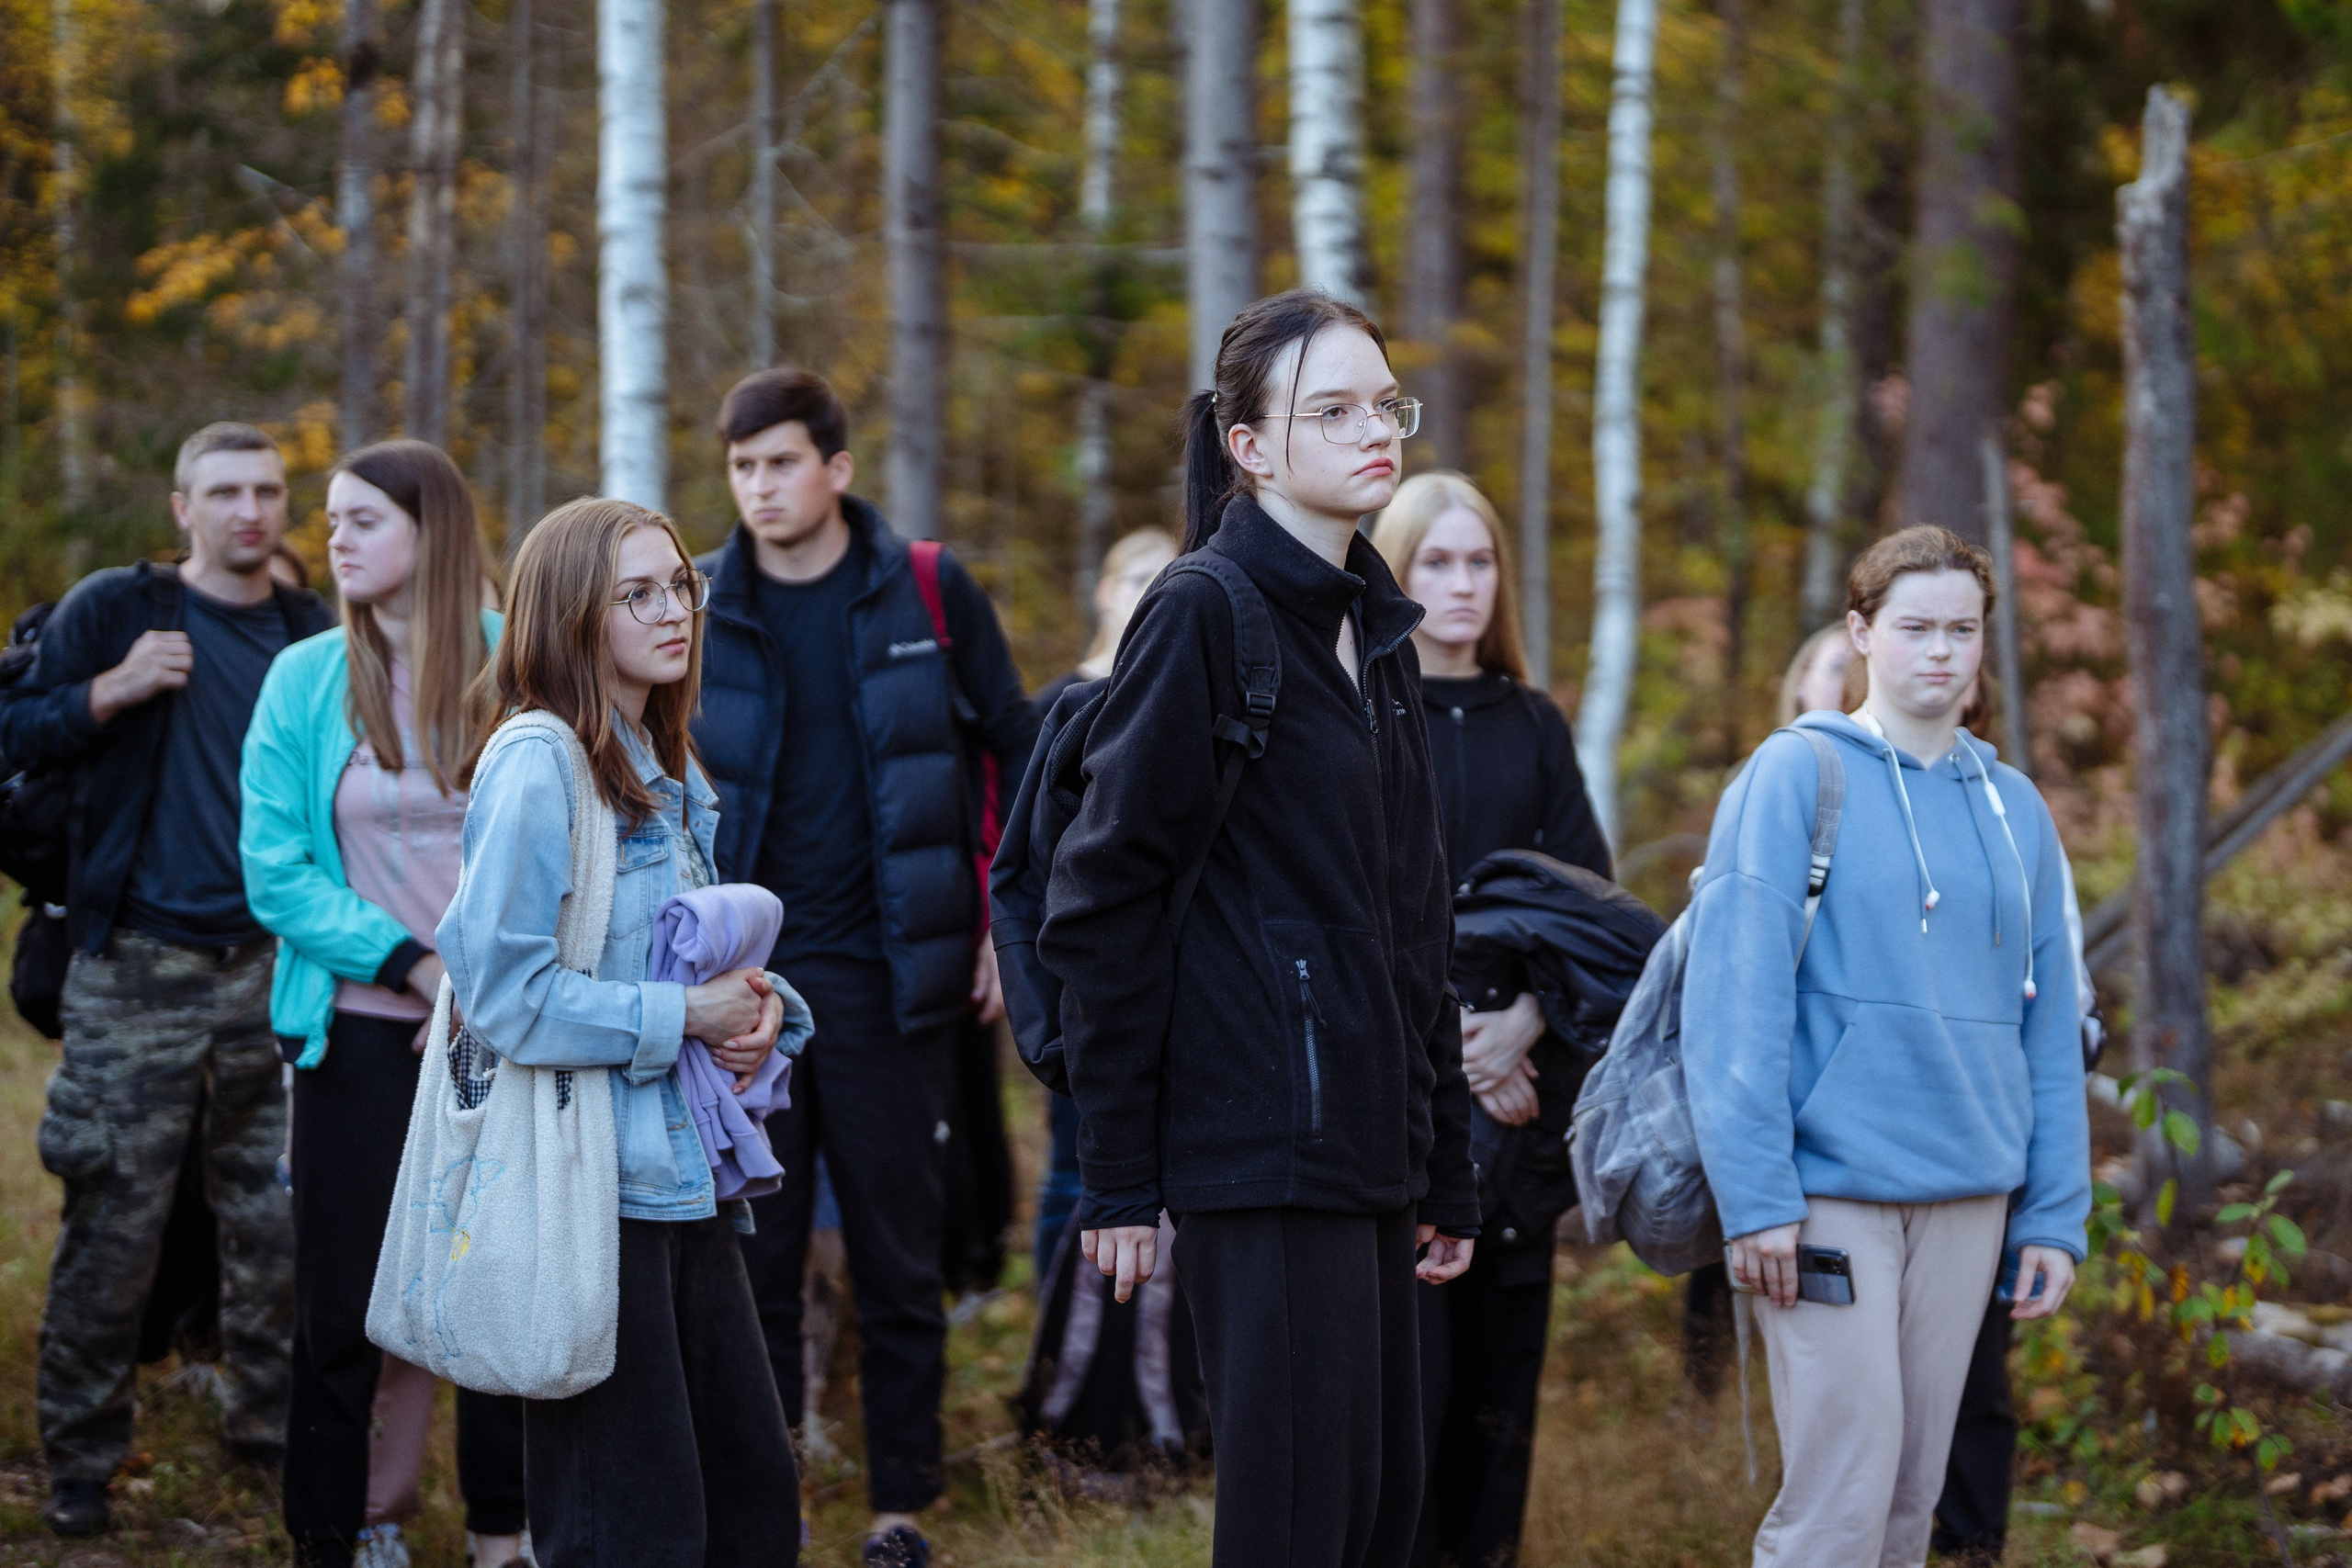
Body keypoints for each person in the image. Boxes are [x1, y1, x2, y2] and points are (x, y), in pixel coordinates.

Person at [1041, 288, 1479, 1568]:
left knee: (1381, 1513)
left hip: (1367, 1150)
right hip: (1253, 1142)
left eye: (1381, 405)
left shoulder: (1378, 629)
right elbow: (1101, 898)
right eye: (1328, 410)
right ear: (1248, 442)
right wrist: (1117, 1168)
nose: (1370, 433)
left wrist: (1439, 1153)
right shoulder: (1202, 610)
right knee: (1297, 1524)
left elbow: (1413, 922)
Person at [1684, 524, 2091, 1567]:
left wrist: (2053, 1211)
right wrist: (1757, 1195)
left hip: (1970, 1195)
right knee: (1841, 1497)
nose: (1942, 652)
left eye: (1963, 629)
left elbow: (2049, 1025)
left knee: (1912, 1498)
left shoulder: (2017, 812)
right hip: (1828, 1194)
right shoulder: (1794, 776)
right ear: (1862, 631)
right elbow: (1733, 1004)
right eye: (1916, 628)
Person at [690, 367, 1038, 1566]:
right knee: (759, 1262)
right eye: (742, 467)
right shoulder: (700, 605)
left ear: (836, 468)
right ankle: (764, 1494)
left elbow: (1020, 744)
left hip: (899, 982)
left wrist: (1000, 917)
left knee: (900, 1252)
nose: (760, 487)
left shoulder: (926, 588)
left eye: (781, 462)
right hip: (747, 994)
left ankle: (902, 1504)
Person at [435, 496, 798, 1565]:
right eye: (634, 593)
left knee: (747, 1500)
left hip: (683, 1176)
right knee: (626, 1523)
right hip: (587, 1186)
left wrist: (764, 1016)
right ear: (569, 616)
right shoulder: (537, 761)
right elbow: (503, 996)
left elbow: (683, 956)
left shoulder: (663, 758)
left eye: (679, 584)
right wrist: (684, 1015)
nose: (671, 609)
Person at [0, 422, 334, 1537]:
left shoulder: (307, 631)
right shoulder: (117, 610)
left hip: (273, 972)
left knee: (276, 1224)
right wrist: (110, 690)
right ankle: (82, 1461)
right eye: (226, 491)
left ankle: (267, 1438)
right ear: (182, 507)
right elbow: (14, 733)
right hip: (133, 968)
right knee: (115, 1220)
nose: (251, 509)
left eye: (269, 490)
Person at [237, 440, 527, 1568]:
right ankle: (335, 1532)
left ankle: (505, 1533)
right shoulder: (303, 679)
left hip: (499, 1036)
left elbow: (561, 842)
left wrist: (482, 973)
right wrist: (408, 961)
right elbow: (275, 870)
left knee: (498, 1291)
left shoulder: (515, 666)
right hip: (354, 1036)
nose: (335, 539)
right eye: (333, 519)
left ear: (429, 532)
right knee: (342, 1305)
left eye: (362, 519)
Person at [1369, 471, 1608, 1568]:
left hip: (1516, 1108)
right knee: (1400, 1402)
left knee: (1497, 1398)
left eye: (1478, 563)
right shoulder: (1360, 712)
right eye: (1434, 563)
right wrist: (1455, 1039)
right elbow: (1346, 908)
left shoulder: (1533, 725)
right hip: (1392, 1114)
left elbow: (1591, 914)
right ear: (1390, 572)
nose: (1460, 586)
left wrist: (1521, 1024)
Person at [1030, 525, 1177, 1279]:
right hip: (1071, 958)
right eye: (1136, 577)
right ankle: (1060, 1327)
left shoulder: (1175, 694)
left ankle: (1138, 1357)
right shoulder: (1059, 702)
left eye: (1166, 577)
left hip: (1153, 967)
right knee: (1071, 1155)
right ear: (1105, 590)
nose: (1151, 591)